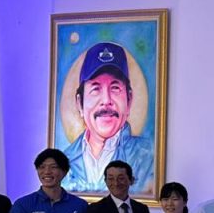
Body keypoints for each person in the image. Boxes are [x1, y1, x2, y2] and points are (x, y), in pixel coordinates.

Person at [63, 42, 154, 194]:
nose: (106, 100)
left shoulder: (148, 157)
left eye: (115, 88)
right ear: (79, 103)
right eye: (95, 89)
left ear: (129, 100)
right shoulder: (64, 160)